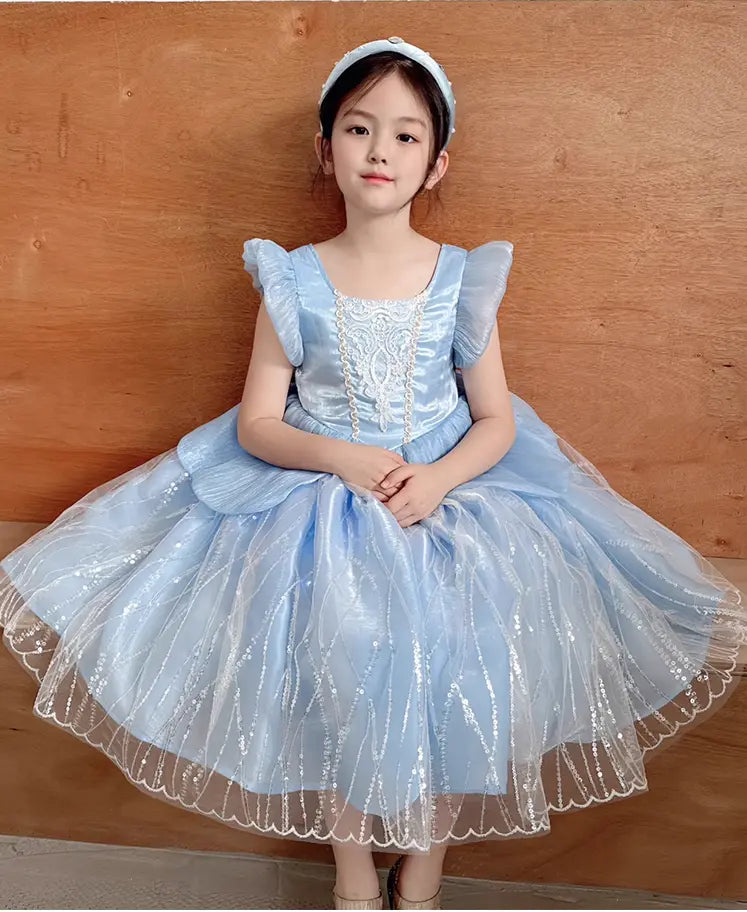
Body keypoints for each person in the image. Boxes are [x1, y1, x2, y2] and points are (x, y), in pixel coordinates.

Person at [0, 35, 745, 912]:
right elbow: (259, 421)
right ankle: (354, 872)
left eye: (404, 135)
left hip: (456, 502)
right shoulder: (293, 279)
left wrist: (436, 480)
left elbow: (496, 417)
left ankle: (423, 868)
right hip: (318, 504)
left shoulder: (461, 278)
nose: (380, 151)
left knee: (469, 668)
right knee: (345, 676)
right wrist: (344, 456)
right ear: (326, 152)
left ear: (435, 164)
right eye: (358, 129)